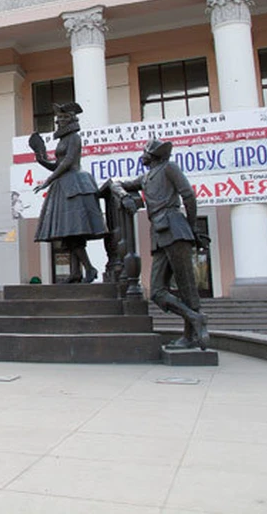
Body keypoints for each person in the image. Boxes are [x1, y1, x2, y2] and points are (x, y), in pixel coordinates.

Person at [110, 138, 210, 349]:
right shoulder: (147, 177)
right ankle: (194, 317)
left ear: (154, 155)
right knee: (156, 291)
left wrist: (192, 227)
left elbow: (189, 196)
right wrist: (123, 196)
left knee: (186, 287)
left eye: (145, 151)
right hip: (158, 231)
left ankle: (190, 336)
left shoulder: (169, 168)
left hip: (175, 228)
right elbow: (116, 183)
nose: (142, 155)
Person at [30, 102, 107, 283]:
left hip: (75, 184)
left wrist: (47, 181)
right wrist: (40, 158)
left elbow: (68, 163)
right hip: (64, 185)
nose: (60, 121)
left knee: (74, 231)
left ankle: (89, 268)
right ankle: (76, 273)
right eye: (59, 118)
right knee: (68, 233)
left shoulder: (74, 137)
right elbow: (57, 165)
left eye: (64, 117)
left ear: (72, 119)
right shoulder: (63, 139)